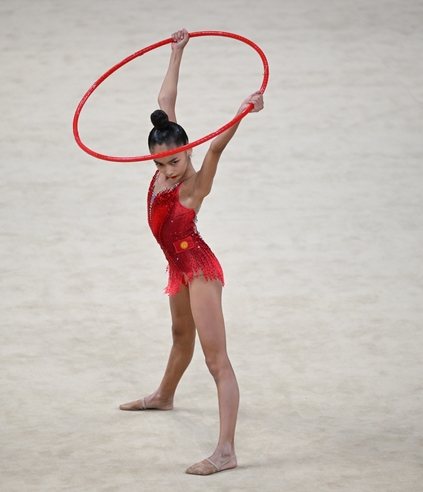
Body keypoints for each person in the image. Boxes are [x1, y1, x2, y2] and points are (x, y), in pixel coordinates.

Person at [119, 28, 264, 476]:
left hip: (198, 270)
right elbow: (165, 98)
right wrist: (176, 51)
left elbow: (218, 144)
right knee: (180, 338)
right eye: (159, 162)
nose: (167, 169)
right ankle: (164, 396)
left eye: (175, 160)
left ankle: (226, 451)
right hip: (176, 267)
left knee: (215, 360)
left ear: (189, 152)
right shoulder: (167, 152)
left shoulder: (194, 186)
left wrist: (243, 110)